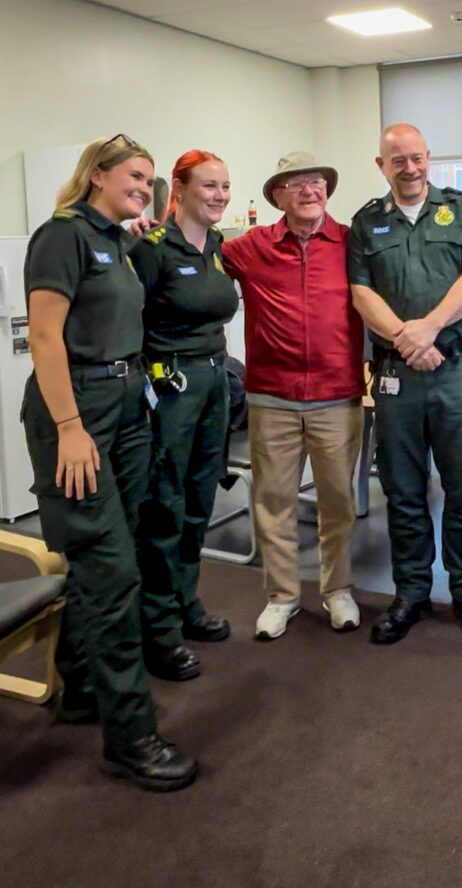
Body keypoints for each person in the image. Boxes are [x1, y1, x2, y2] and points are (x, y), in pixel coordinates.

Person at [22, 134, 197, 791]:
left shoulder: (114, 240)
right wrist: (69, 426)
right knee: (111, 567)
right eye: (133, 174)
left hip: (126, 410)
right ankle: (131, 738)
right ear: (96, 174)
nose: (145, 186)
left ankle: (81, 689)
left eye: (152, 179)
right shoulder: (61, 236)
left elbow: (116, 287)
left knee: (104, 559)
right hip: (81, 412)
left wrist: (134, 233)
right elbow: (44, 334)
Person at [347, 123, 462, 646]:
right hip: (396, 375)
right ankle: (411, 591)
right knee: (403, 490)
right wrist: (404, 336)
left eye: (417, 159)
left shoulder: (461, 210)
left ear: (429, 158)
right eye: (398, 161)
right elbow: (360, 293)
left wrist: (430, 326)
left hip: (456, 370)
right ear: (381, 165)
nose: (410, 169)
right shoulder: (367, 223)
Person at [221, 152, 365, 639]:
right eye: (298, 183)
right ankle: (282, 596)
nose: (310, 191)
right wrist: (148, 231)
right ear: (278, 195)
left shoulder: (350, 243)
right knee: (274, 501)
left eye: (318, 182)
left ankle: (337, 589)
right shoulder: (249, 247)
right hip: (272, 397)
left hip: (337, 396)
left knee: (338, 501)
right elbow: (194, 248)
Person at [129, 150, 239, 681]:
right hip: (169, 385)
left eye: (225, 186)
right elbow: (126, 323)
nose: (219, 195)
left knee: (199, 499)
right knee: (165, 505)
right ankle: (158, 630)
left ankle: (184, 603)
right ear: (179, 187)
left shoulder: (215, 245)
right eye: (209, 185)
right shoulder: (151, 248)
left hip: (214, 381)